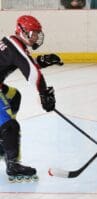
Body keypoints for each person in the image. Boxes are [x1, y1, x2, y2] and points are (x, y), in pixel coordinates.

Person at [0, 15, 63, 182]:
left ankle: (2, 142)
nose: (36, 37)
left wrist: (43, 60)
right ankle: (13, 165)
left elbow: (24, 62)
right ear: (22, 31)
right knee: (10, 125)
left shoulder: (13, 44)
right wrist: (44, 93)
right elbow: (32, 72)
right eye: (33, 33)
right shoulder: (15, 47)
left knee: (14, 97)